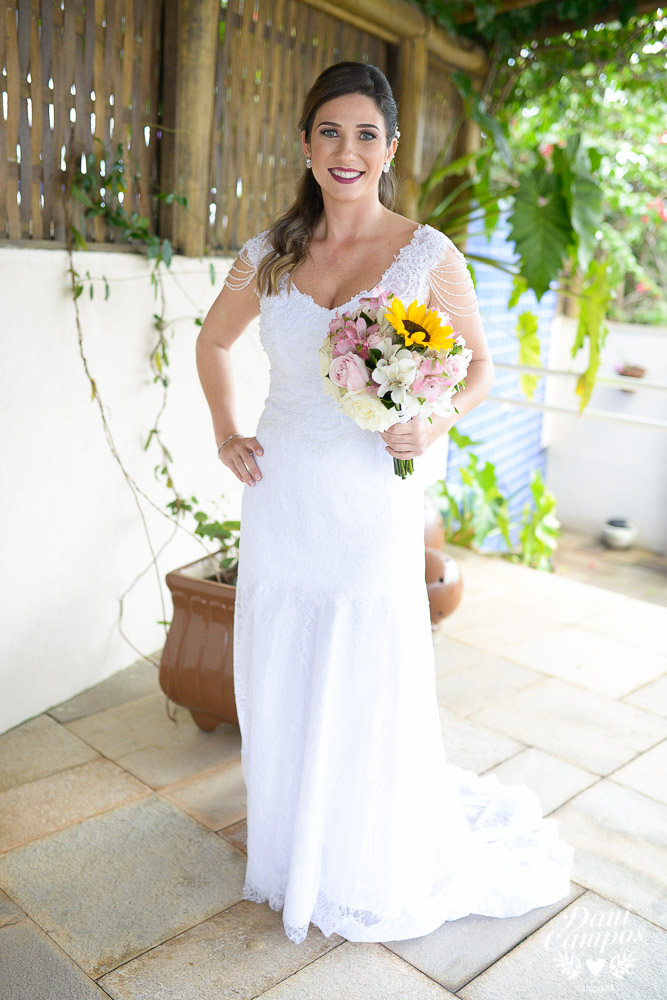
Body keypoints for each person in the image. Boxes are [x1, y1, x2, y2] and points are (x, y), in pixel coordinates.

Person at [196, 61, 574, 945]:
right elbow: (214, 340)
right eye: (329, 132)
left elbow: (478, 367)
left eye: (365, 135)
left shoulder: (425, 254)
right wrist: (225, 431)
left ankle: (362, 859)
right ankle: (293, 851)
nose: (346, 151)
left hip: (368, 502)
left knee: (364, 667)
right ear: (304, 144)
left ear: (390, 149)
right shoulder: (269, 252)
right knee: (283, 663)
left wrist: (431, 420)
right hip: (282, 495)